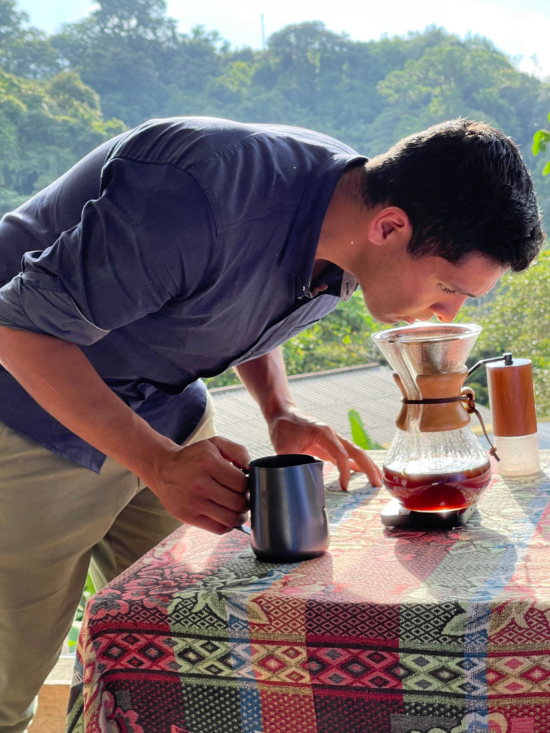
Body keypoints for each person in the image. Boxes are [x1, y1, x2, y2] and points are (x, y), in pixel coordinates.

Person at [0, 116, 543, 732]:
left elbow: (242, 288)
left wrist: (279, 410)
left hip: (168, 411)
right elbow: (18, 327)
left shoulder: (351, 222)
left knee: (191, 643)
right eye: (448, 287)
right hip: (24, 410)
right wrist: (153, 460)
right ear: (389, 226)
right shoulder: (199, 197)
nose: (446, 311)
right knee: (6, 685)